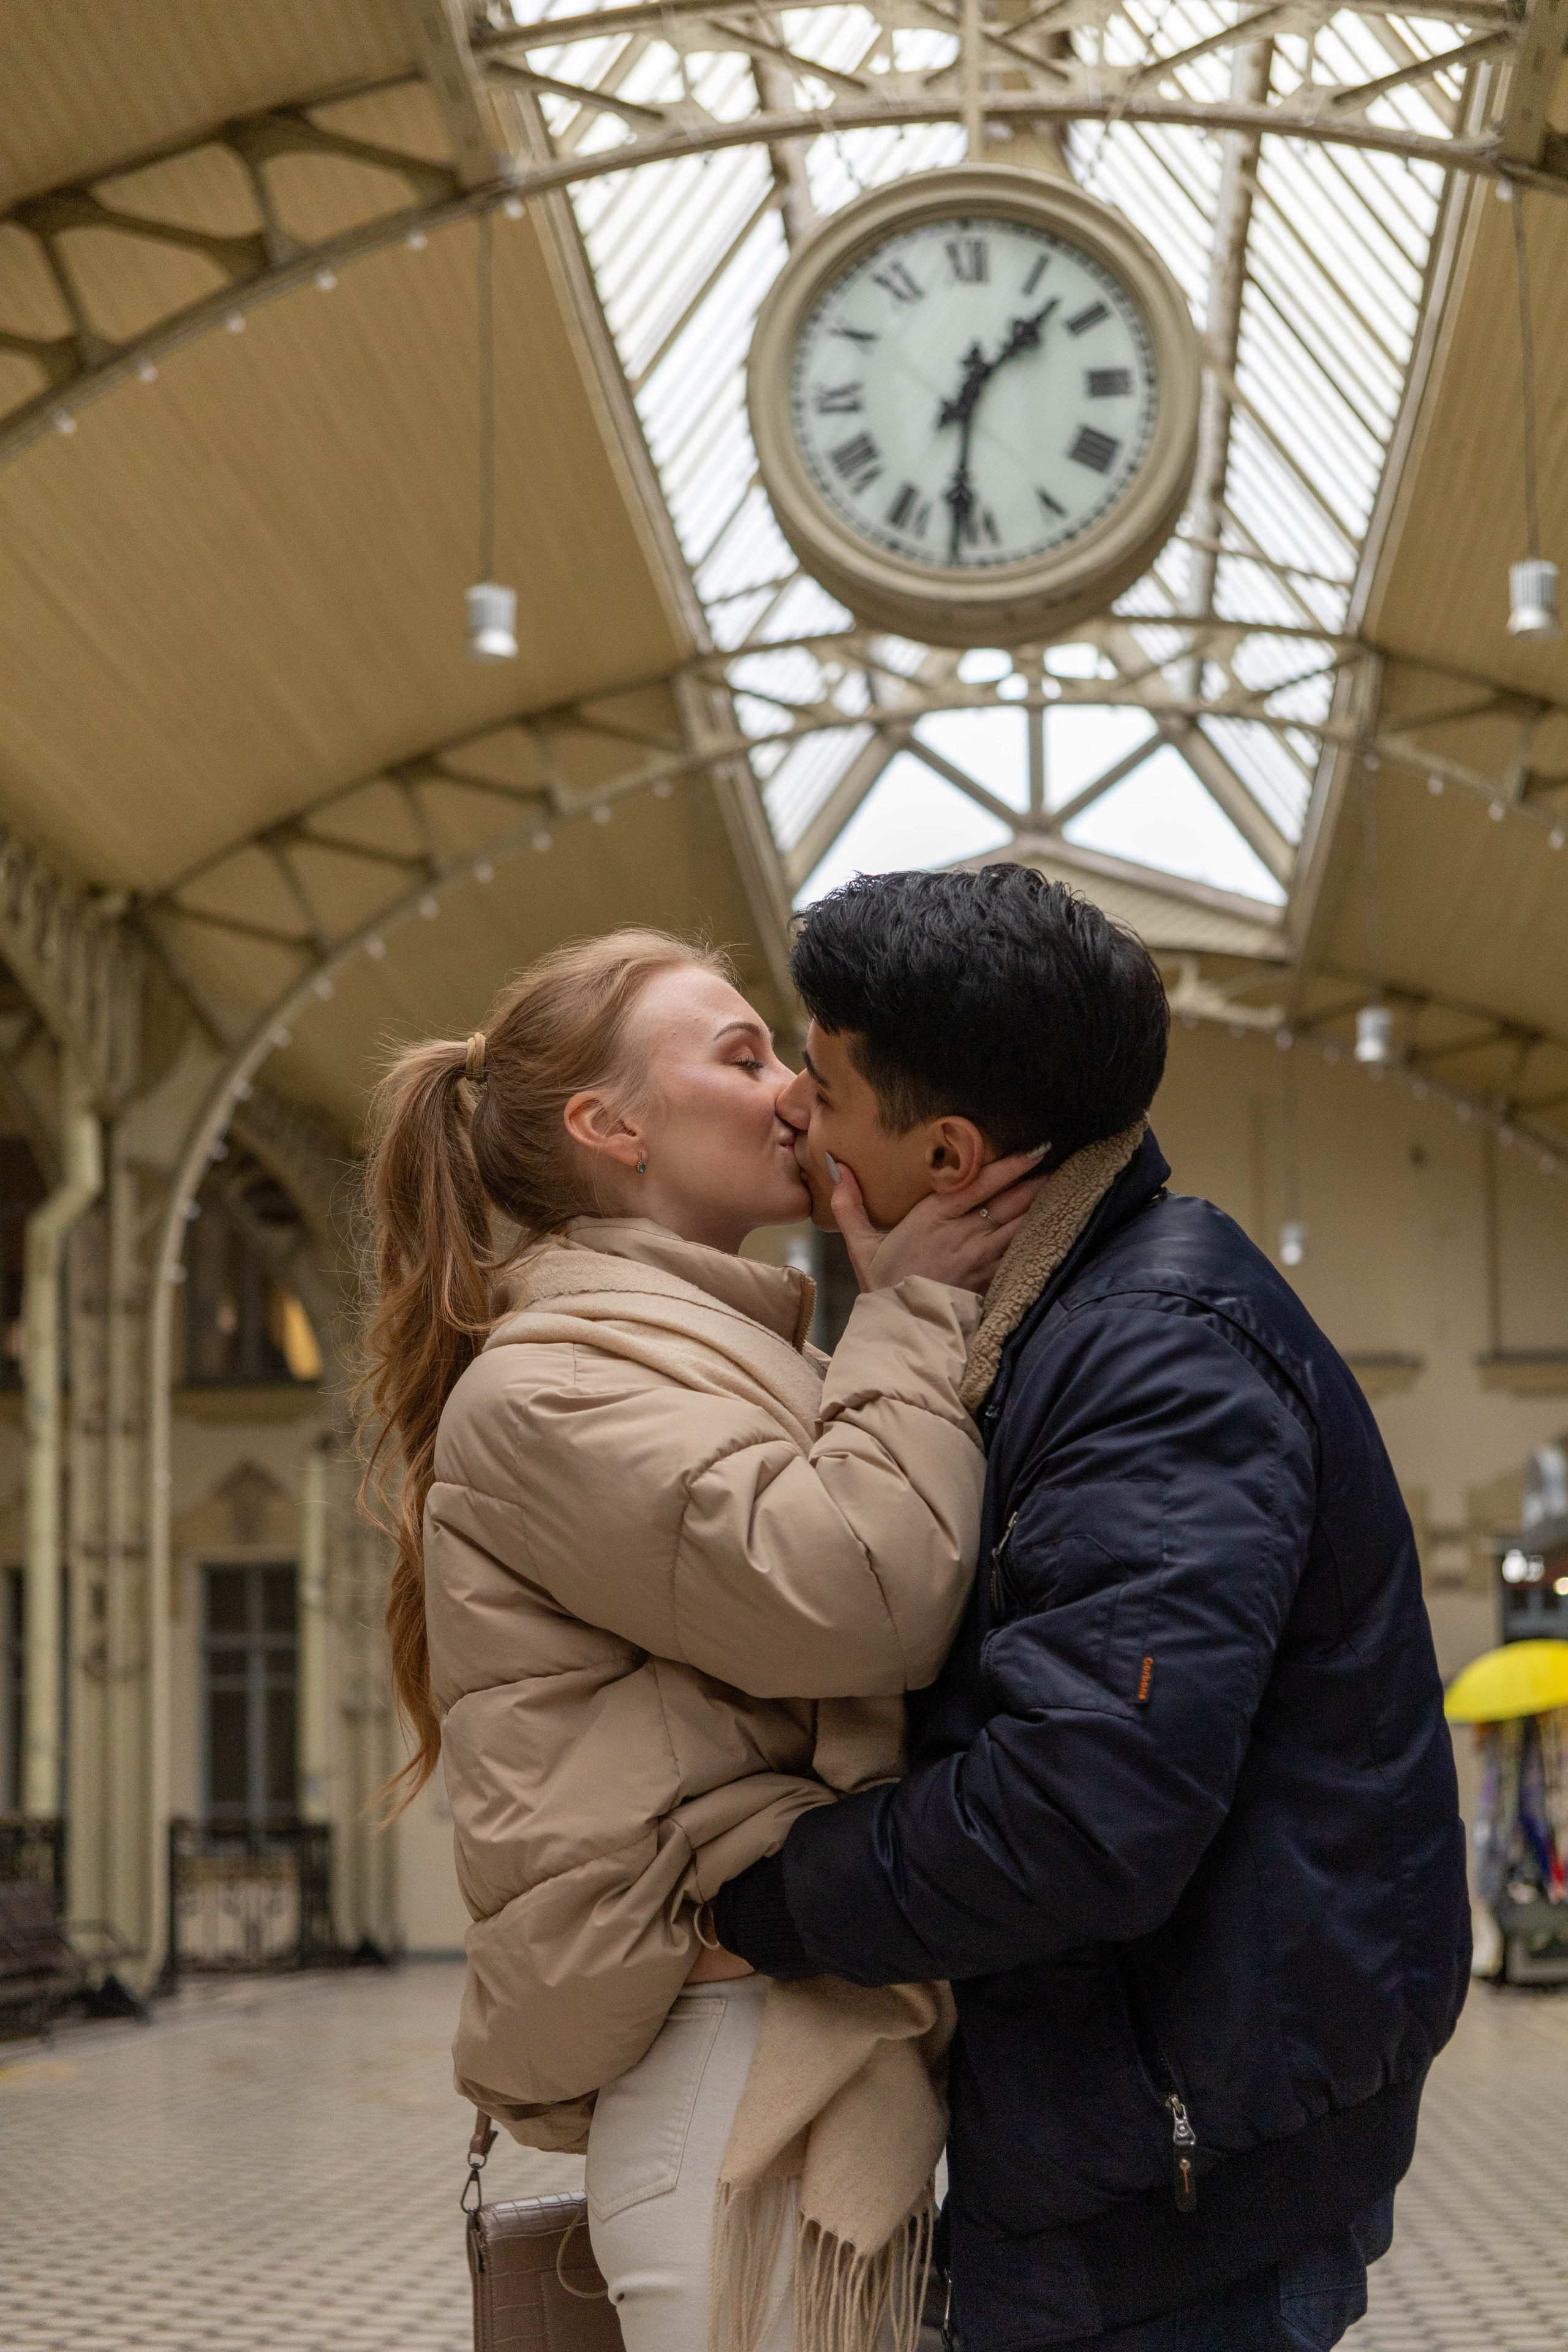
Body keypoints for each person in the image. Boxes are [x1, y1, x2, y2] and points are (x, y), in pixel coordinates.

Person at [715, 865, 1472, 2352]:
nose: (794, 1112)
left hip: (1179, 2181)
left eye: (818, 1079)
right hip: (1148, 2127)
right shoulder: (1068, 1317)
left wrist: (758, 1896)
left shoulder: (1149, 1353)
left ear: (946, 1152)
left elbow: (1078, 1814)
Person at [356, 927, 1046, 2352]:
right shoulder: (550, 1388)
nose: (796, 1091)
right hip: (730, 2083)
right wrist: (911, 1305)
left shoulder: (750, 1355)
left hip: (791, 2054)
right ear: (609, 1129)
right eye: (741, 1058)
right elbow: (863, 1588)